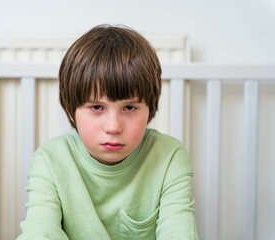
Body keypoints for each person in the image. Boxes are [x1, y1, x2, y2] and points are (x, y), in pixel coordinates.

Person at [17, 24, 198, 240]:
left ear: (150, 108)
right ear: (71, 108)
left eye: (129, 108)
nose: (113, 127)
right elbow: (40, 233)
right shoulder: (50, 160)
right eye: (96, 107)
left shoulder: (170, 156)